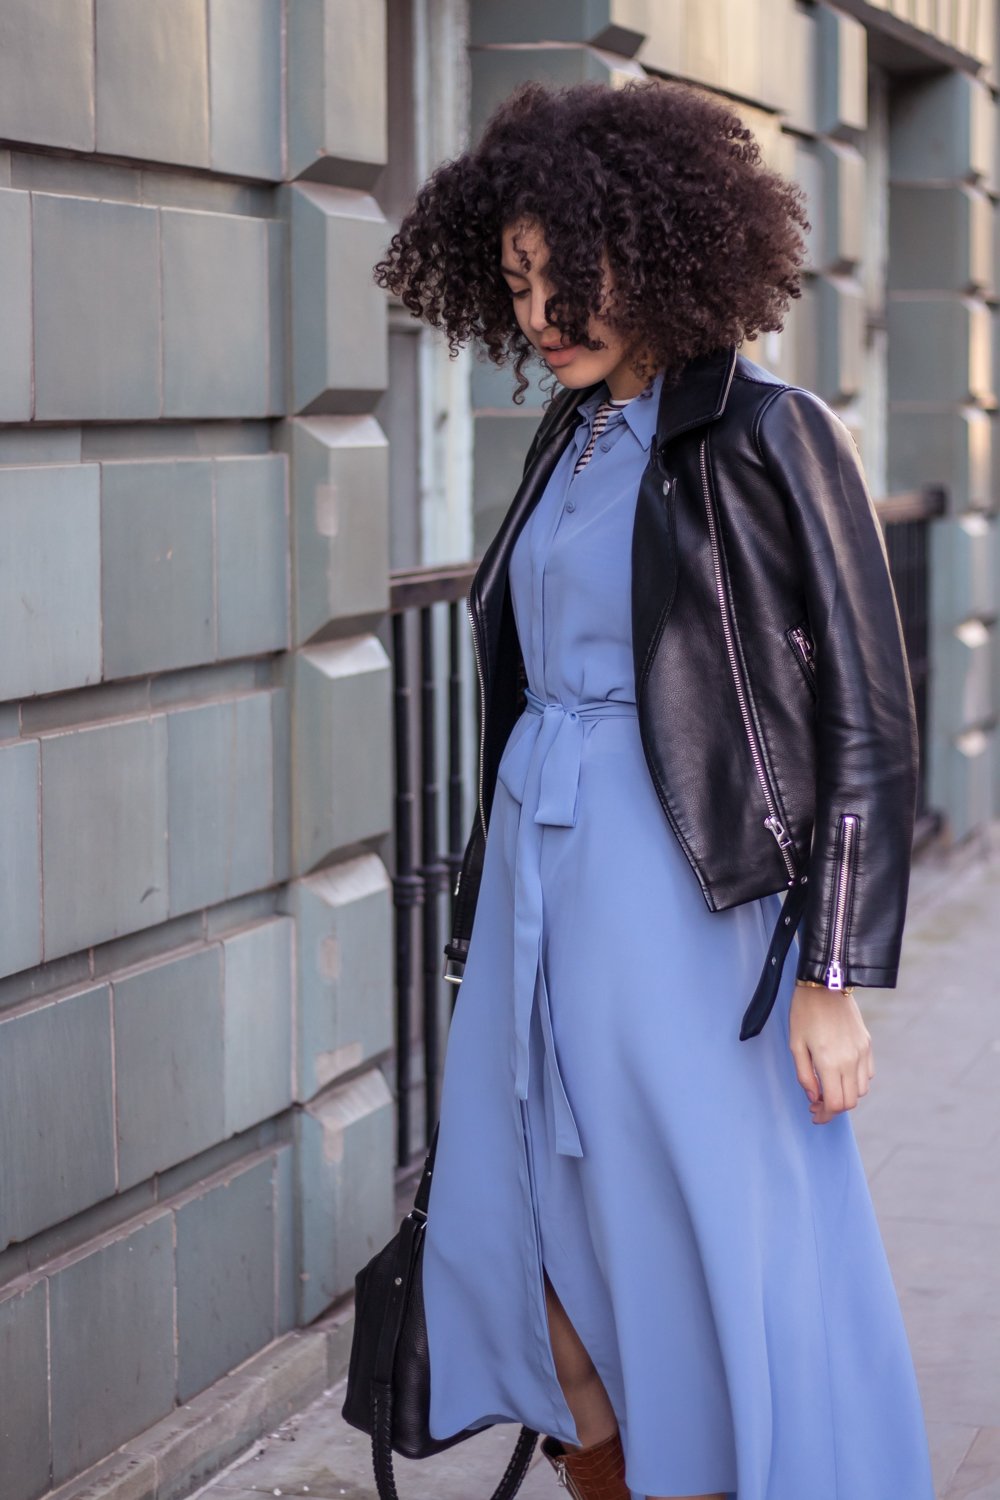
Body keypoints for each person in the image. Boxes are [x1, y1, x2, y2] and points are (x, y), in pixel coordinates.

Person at [372, 78, 936, 1500]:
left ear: (668, 250)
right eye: (519, 282)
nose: (547, 311)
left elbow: (868, 713)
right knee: (536, 1267)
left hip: (688, 905)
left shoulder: (771, 429)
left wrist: (835, 970)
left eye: (578, 271)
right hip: (539, 891)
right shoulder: (562, 442)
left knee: (703, 1264)